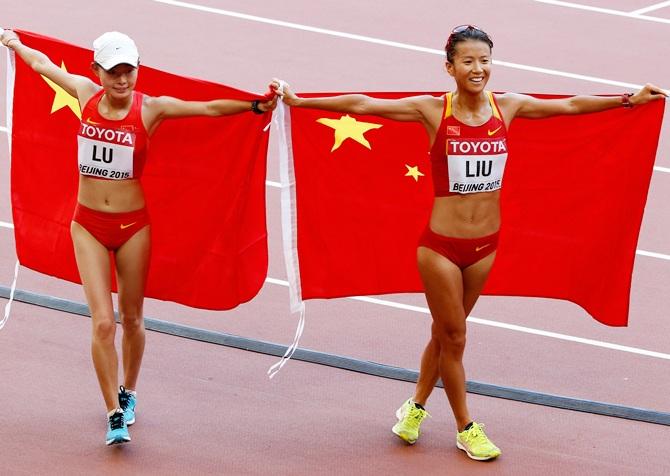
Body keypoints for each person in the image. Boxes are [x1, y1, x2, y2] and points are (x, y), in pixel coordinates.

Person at [272, 25, 666, 461]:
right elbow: (365, 105)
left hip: (485, 247)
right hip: (440, 247)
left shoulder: (508, 106)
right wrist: (299, 101)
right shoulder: (431, 110)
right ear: (450, 67)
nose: (478, 69)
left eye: (484, 61)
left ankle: (415, 407)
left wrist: (629, 99)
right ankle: (466, 427)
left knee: (444, 335)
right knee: (456, 336)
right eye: (468, 61)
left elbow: (571, 105)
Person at [0, 29, 277, 446]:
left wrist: (255, 104)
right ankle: (113, 411)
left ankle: (129, 392)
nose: (122, 80)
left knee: (131, 319)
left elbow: (207, 108)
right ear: (97, 71)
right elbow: (40, 65)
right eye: (113, 72)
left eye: (129, 71)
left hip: (133, 228)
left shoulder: (153, 109)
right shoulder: (82, 92)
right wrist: (15, 44)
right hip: (87, 225)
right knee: (102, 324)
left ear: (137, 71)